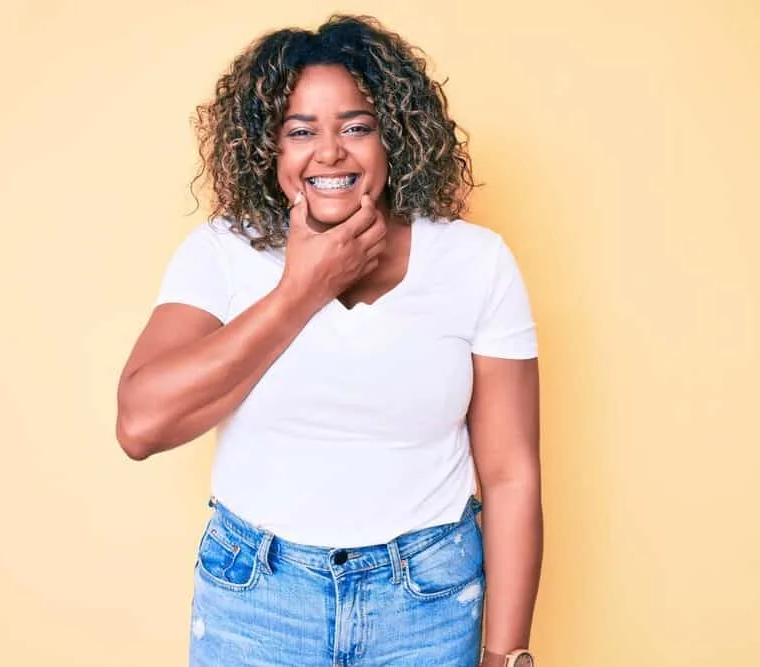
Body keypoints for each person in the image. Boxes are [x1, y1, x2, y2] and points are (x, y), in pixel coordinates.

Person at [116, 14, 542, 667]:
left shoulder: (475, 262)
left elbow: (511, 474)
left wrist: (507, 654)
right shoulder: (222, 253)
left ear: (395, 138)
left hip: (425, 603)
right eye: (300, 131)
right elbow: (141, 424)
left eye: (356, 126)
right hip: (257, 598)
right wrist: (302, 289)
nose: (330, 152)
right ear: (268, 149)